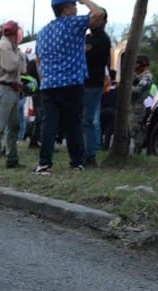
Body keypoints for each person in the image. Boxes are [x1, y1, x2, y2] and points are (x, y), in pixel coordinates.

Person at [34, 0, 105, 174]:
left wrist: (44, 78)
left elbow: (38, 60)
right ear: (66, 9)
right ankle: (76, 162)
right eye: (74, 5)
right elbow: (99, 14)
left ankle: (44, 163)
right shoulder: (73, 24)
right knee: (73, 124)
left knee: (48, 125)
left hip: (48, 84)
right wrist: (86, 0)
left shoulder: (43, 32)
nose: (76, 7)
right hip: (71, 82)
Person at [0, 20, 26, 168]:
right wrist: (19, 54)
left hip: (12, 88)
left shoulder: (10, 46)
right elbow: (11, 65)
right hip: (4, 88)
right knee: (0, 126)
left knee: (14, 126)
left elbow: (21, 69)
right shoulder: (4, 46)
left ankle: (12, 158)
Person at [82, 8, 111, 167]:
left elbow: (93, 58)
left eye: (95, 19)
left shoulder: (103, 40)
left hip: (93, 84)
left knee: (89, 120)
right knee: (83, 120)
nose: (91, 21)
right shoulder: (85, 38)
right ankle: (84, 153)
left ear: (103, 21)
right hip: (81, 83)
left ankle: (90, 156)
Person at [130, 54, 153, 154]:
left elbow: (138, 90)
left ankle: (138, 149)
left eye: (137, 64)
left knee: (135, 127)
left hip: (139, 106)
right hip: (132, 105)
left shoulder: (147, 76)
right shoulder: (136, 75)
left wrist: (127, 87)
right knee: (131, 128)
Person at [100, 68, 117, 150]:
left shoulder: (104, 87)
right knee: (109, 131)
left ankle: (99, 144)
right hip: (113, 111)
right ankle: (106, 146)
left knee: (100, 128)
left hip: (103, 110)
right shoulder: (117, 88)